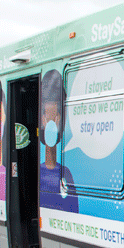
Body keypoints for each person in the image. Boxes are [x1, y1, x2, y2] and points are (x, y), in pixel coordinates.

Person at [40, 69, 78, 213]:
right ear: (41, 120)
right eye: (46, 114)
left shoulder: (66, 174)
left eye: (56, 115)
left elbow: (74, 209)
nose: (51, 121)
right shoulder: (38, 172)